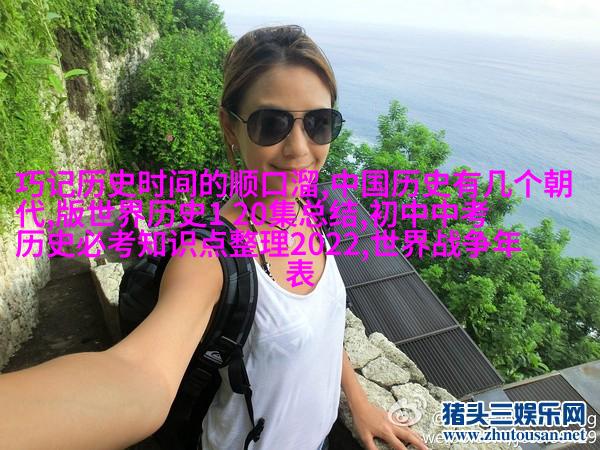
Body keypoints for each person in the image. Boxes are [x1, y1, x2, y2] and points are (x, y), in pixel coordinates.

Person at [0, 24, 428, 450]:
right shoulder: (208, 257)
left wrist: (359, 403)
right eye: (271, 124)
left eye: (319, 122)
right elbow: (139, 376)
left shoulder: (311, 210)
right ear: (230, 127)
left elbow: (325, 327)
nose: (300, 149)